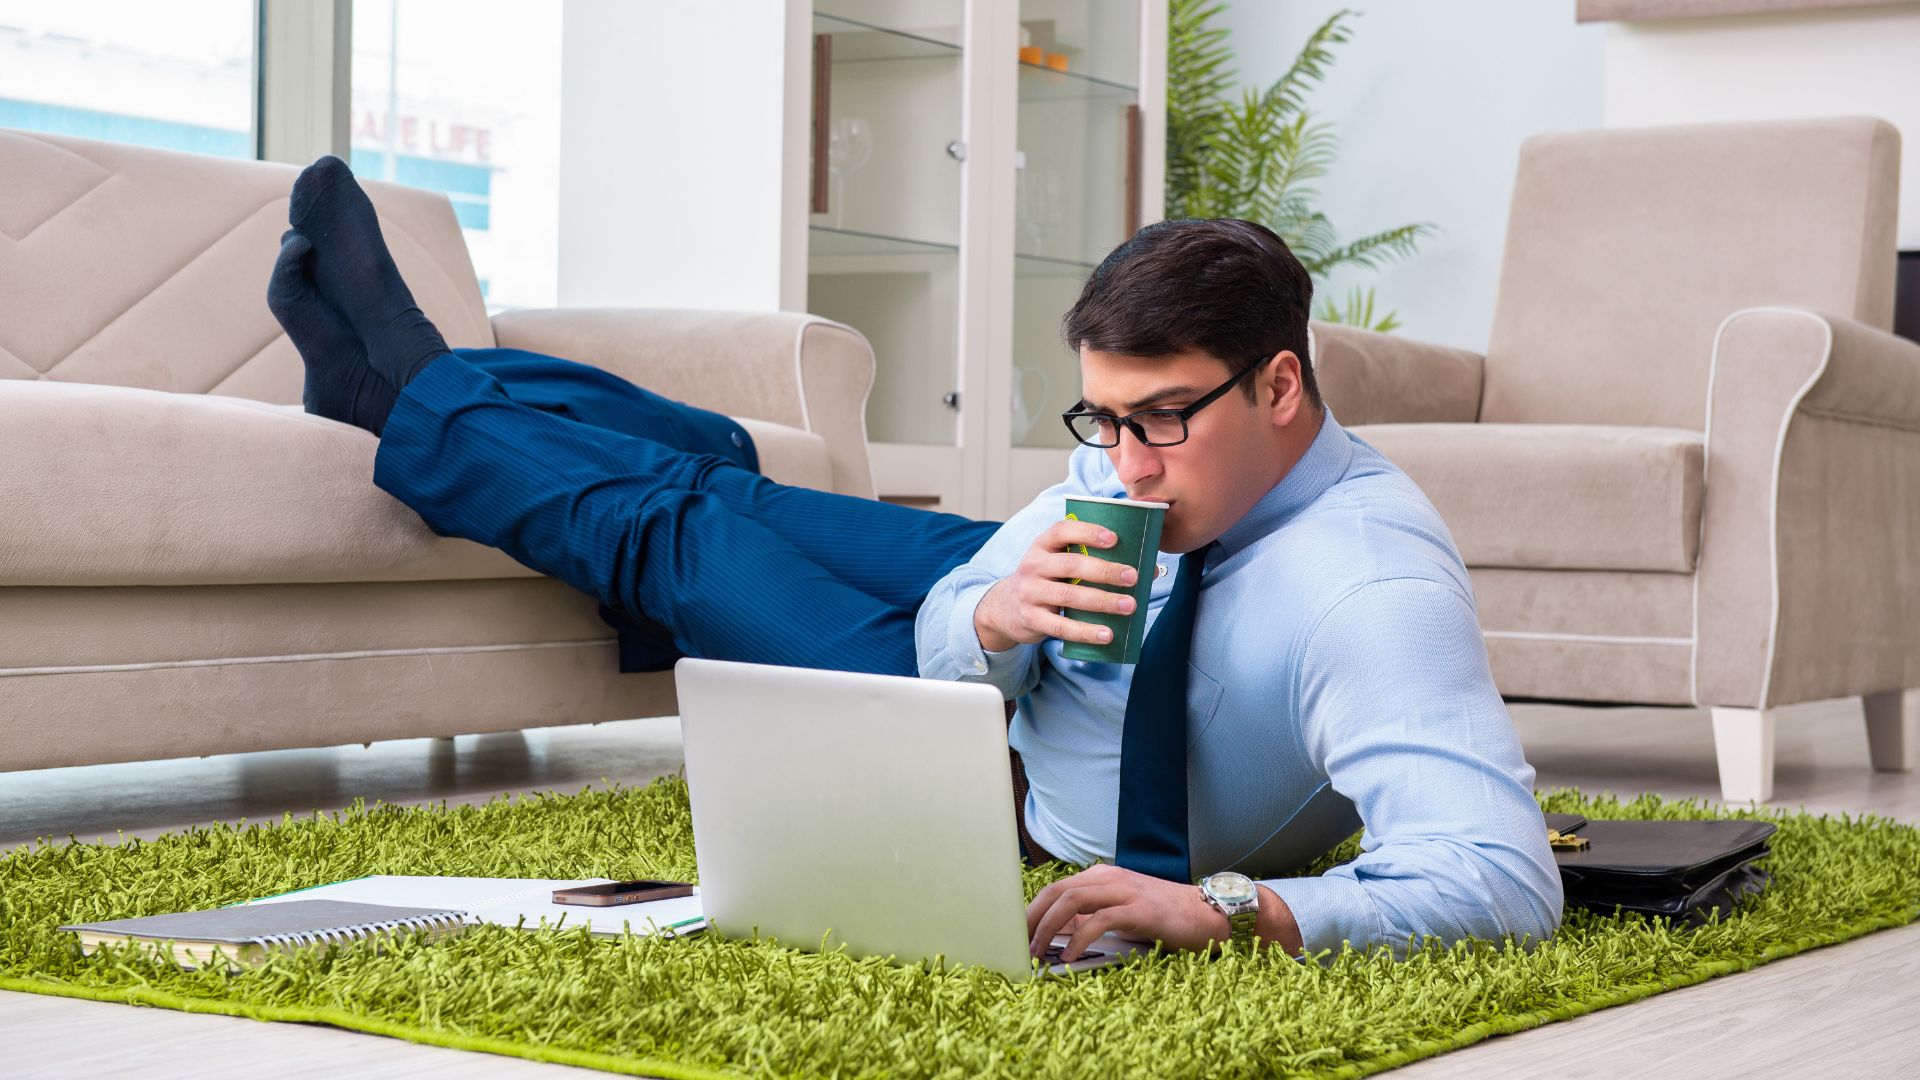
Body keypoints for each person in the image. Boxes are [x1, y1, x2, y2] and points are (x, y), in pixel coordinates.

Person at [268, 156, 1561, 965]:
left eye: (1163, 418)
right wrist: (992, 618)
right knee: (734, 487)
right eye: (1098, 422)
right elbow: (966, 608)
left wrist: (1236, 909)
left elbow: (1500, 879)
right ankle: (413, 386)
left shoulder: (1370, 593)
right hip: (994, 664)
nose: (1124, 467)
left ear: (1281, 386)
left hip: (979, 773)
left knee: (686, 535)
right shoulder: (1132, 473)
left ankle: (407, 386)